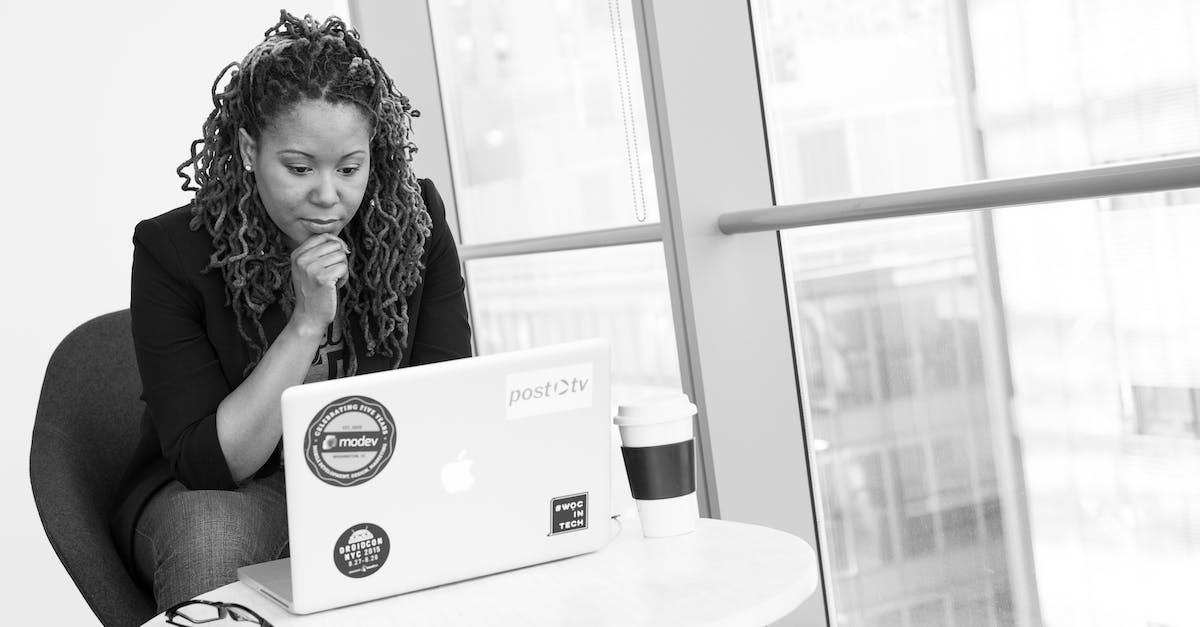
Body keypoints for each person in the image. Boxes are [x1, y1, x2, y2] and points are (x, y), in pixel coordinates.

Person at [108, 11, 472, 612]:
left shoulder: (414, 223)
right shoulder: (172, 252)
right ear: (251, 150)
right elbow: (211, 464)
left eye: (350, 169)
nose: (328, 195)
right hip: (234, 490)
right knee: (210, 538)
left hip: (376, 474)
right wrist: (306, 324)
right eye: (299, 168)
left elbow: (444, 391)